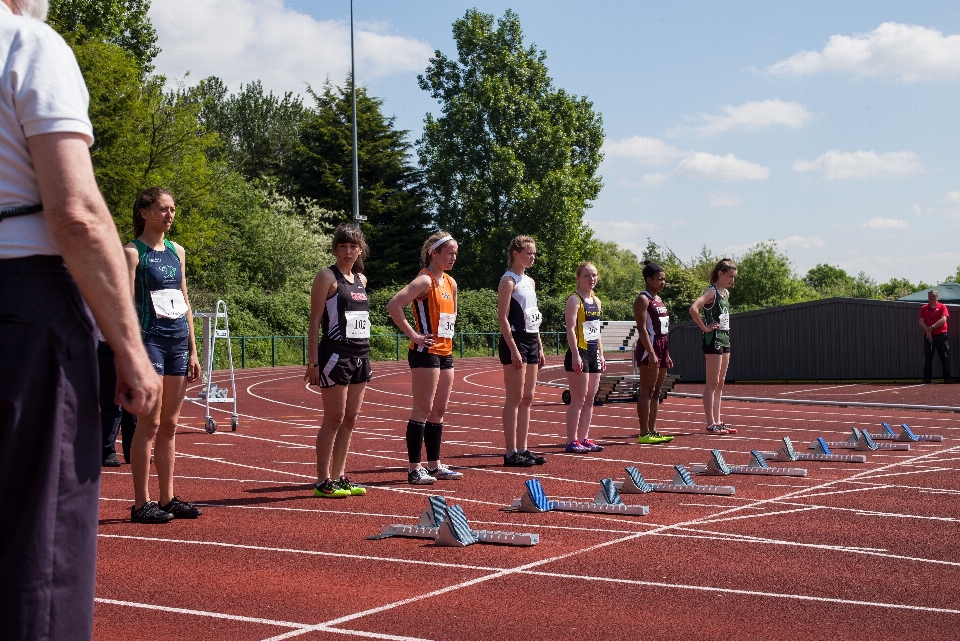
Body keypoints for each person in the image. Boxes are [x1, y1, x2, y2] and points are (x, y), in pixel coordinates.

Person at [0, 2, 161, 638]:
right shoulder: (27, 43)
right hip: (25, 306)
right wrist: (130, 349)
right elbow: (76, 213)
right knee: (41, 542)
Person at [125, 188, 203, 523]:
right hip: (150, 342)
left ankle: (167, 498)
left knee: (170, 424)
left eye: (173, 209)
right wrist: (130, 352)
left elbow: (183, 299)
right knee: (150, 422)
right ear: (144, 212)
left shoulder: (177, 251)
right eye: (162, 209)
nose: (169, 215)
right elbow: (126, 305)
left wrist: (194, 349)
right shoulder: (132, 252)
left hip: (177, 342)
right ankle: (141, 503)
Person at [386, 231, 464, 484]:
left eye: (455, 253)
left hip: (445, 352)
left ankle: (435, 465)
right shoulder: (425, 280)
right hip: (425, 352)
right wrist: (414, 335)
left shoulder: (450, 283)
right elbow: (393, 305)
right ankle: (413, 468)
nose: (453, 257)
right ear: (434, 252)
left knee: (438, 411)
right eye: (449, 253)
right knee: (423, 409)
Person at [305, 223, 372, 497]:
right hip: (334, 354)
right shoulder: (326, 277)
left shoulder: (361, 280)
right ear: (335, 249)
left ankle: (339, 475)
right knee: (333, 418)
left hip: (361, 355)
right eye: (343, 246)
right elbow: (315, 320)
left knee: (350, 419)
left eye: (353, 246)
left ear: (360, 249)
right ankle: (322, 481)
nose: (348, 251)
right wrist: (312, 363)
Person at [497, 235, 546, 467]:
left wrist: (540, 346)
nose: (532, 257)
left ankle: (523, 448)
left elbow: (533, 316)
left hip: (531, 340)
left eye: (534, 253)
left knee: (528, 398)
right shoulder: (509, 281)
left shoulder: (531, 281)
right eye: (528, 253)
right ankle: (510, 452)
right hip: (515, 340)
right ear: (515, 253)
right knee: (514, 398)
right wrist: (513, 349)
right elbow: (502, 318)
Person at [689, 258, 738, 435]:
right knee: (712, 382)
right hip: (713, 340)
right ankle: (710, 423)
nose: (733, 280)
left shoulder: (726, 294)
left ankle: (718, 420)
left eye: (734, 276)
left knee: (721, 383)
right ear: (720, 274)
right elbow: (693, 309)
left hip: (725, 338)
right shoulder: (712, 291)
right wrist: (705, 327)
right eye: (730, 276)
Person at [563, 262, 606, 453]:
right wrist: (575, 354)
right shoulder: (574, 300)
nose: (592, 279)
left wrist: (601, 354)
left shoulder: (597, 302)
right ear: (578, 278)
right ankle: (572, 440)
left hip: (593, 352)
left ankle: (584, 438)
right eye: (587, 276)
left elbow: (596, 331)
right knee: (578, 400)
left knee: (590, 399)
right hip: (579, 352)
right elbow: (571, 329)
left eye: (594, 275)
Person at [633, 260, 675, 445]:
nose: (663, 282)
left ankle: (653, 430)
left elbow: (663, 328)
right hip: (649, 347)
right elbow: (642, 328)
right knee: (647, 391)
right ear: (648, 279)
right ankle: (644, 433)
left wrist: (666, 353)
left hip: (662, 346)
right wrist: (650, 352)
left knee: (657, 392)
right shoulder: (643, 299)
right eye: (659, 279)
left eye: (664, 279)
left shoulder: (659, 299)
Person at [98, 337, 139, 465]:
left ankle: (133, 452)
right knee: (112, 405)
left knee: (131, 407)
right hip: (108, 346)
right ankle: (106, 452)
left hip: (131, 349)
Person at [919, 288, 952, 384]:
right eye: (930, 297)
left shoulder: (942, 307)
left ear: (937, 297)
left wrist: (931, 328)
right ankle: (927, 379)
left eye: (933, 296)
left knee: (944, 357)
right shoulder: (924, 308)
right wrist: (927, 331)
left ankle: (947, 378)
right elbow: (921, 321)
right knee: (928, 358)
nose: (931, 298)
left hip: (941, 335)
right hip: (929, 336)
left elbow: (943, 319)